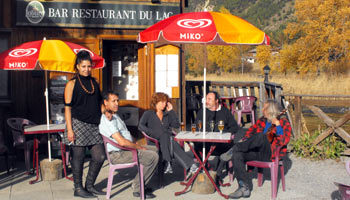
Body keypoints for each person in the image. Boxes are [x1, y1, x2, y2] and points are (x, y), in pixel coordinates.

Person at [220, 99, 291, 199]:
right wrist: (244, 140)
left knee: (261, 136)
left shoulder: (283, 122)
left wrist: (278, 125)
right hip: (256, 152)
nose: (262, 110)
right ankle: (243, 187)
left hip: (270, 154)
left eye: (264, 108)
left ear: (270, 110)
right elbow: (249, 132)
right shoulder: (262, 120)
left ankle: (234, 148)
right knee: (237, 154)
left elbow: (284, 140)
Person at [99, 91, 158, 199]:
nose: (117, 103)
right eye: (113, 101)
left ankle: (142, 182)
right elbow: (121, 142)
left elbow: (125, 133)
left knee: (156, 150)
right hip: (118, 154)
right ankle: (138, 188)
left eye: (117, 100)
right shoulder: (107, 120)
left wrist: (134, 141)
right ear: (106, 102)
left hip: (126, 149)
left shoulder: (114, 115)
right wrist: (139, 147)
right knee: (152, 157)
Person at [64, 50, 106, 198]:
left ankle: (89, 185)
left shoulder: (95, 82)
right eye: (83, 66)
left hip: (94, 124)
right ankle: (78, 188)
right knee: (79, 157)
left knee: (100, 156)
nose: (86, 69)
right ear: (77, 66)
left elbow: (99, 102)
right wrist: (70, 130)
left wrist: (106, 113)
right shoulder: (71, 84)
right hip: (77, 123)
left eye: (89, 66)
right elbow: (67, 108)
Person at [138, 92, 198, 174]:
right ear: (155, 102)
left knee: (167, 137)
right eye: (162, 102)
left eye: (165, 102)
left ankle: (167, 163)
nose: (164, 104)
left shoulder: (167, 114)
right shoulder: (148, 113)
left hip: (167, 140)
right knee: (169, 139)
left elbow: (176, 125)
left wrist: (171, 111)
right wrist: (152, 133)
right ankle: (191, 165)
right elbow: (140, 126)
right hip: (154, 141)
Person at [194, 91, 240, 173]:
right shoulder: (202, 112)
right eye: (206, 99)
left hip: (221, 144)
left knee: (229, 147)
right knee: (196, 145)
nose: (206, 101)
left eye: (209, 99)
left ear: (216, 101)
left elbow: (234, 127)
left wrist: (224, 134)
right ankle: (204, 166)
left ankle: (218, 174)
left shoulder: (225, 112)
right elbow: (197, 126)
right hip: (206, 143)